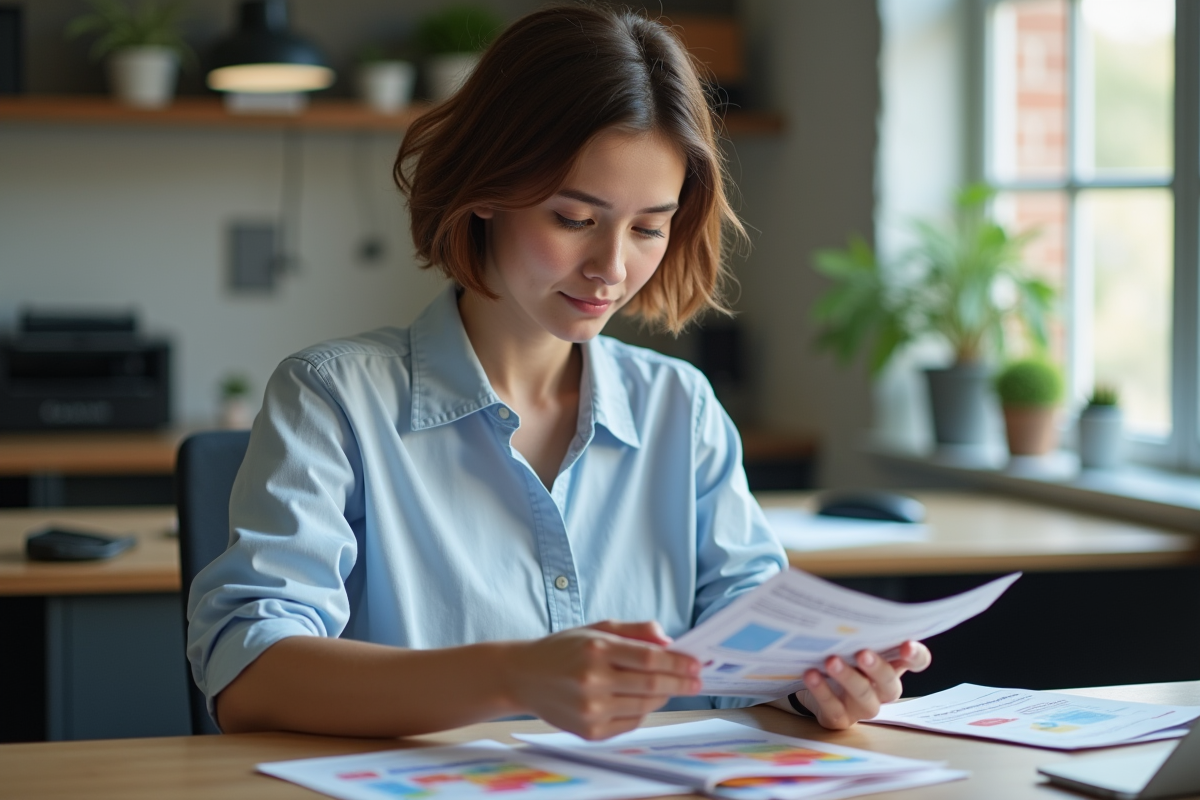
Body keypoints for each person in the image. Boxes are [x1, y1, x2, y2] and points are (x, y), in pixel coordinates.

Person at [187, 4, 931, 741]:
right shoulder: (333, 398)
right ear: (486, 194)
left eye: (648, 228)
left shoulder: (683, 407)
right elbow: (249, 673)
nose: (611, 269)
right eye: (574, 219)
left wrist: (817, 680)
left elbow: (750, 632)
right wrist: (513, 675)